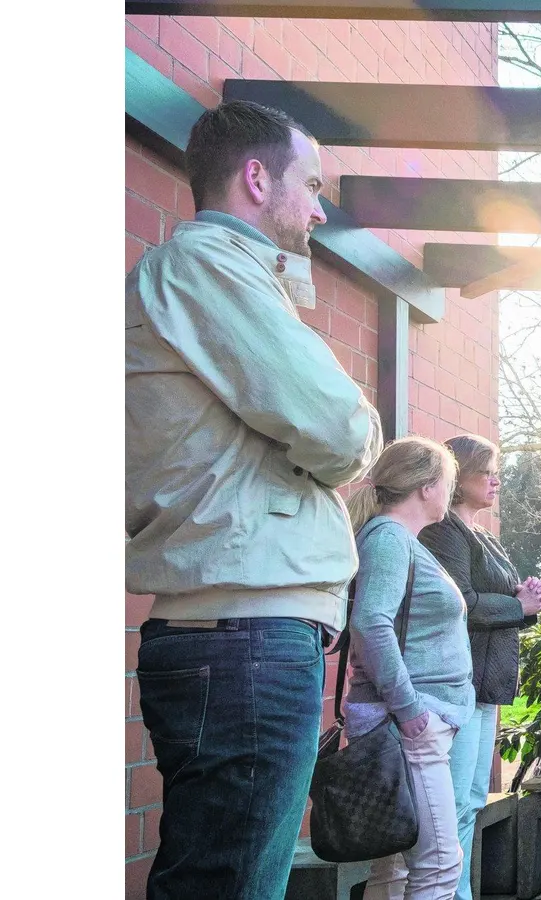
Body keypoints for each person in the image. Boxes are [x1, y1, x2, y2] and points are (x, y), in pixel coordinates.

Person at [126, 99, 383, 899]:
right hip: (242, 640)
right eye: (310, 185)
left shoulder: (231, 278)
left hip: (241, 636)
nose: (319, 207)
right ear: (255, 176)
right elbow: (342, 431)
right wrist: (350, 429)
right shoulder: (210, 267)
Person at [419, 435, 541, 900]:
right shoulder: (441, 533)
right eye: (485, 470)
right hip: (457, 682)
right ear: (458, 476)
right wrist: (519, 604)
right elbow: (463, 604)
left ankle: (461, 892)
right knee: (451, 803)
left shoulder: (484, 536)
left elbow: (507, 603)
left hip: (488, 684)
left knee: (472, 799)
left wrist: (528, 602)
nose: (496, 478)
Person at [345, 437, 475, 899]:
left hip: (413, 723)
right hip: (409, 726)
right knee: (440, 863)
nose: (450, 491)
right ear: (426, 487)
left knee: (396, 870)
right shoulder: (389, 537)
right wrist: (410, 709)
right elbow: (370, 621)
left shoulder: (397, 539)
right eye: (449, 481)